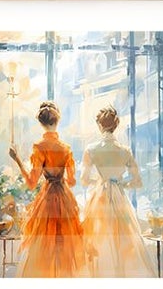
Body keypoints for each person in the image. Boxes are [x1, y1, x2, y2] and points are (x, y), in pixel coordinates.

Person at [8, 102, 86, 277]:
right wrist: (60, 175)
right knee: (64, 246)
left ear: (41, 123)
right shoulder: (66, 148)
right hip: (64, 198)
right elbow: (72, 181)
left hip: (47, 199)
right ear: (57, 121)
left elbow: (31, 183)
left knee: (44, 246)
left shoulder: (39, 147)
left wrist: (17, 160)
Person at [80, 108, 154, 277]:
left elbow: (84, 180)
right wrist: (121, 183)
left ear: (100, 125)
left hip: (99, 197)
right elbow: (137, 181)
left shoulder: (91, 149)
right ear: (116, 125)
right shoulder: (125, 150)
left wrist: (100, 181)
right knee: (123, 239)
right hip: (119, 198)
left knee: (99, 239)